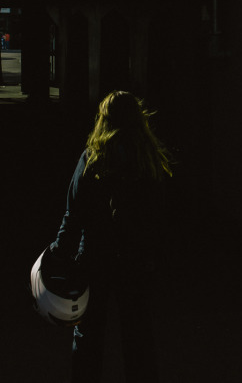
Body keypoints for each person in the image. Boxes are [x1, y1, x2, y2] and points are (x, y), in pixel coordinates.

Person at [50, 90, 172, 383]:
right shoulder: (149, 160)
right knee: (137, 334)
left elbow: (74, 213)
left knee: (89, 334)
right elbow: (160, 216)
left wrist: (57, 252)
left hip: (95, 256)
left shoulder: (93, 158)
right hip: (135, 258)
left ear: (103, 119)